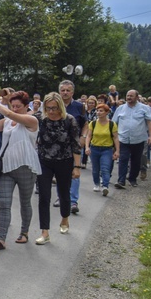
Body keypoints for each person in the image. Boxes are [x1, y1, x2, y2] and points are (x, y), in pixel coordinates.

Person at [0, 92, 40, 250]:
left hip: (26, 168)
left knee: (25, 202)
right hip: (6, 167)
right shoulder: (7, 121)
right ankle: (1, 239)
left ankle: (24, 232)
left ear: (26, 106)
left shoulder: (31, 120)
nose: (14, 109)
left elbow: (8, 113)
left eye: (18, 107)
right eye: (12, 106)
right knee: (5, 204)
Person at [35, 92, 81, 244]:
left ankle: (65, 219)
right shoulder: (41, 119)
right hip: (44, 161)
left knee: (63, 193)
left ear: (60, 106)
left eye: (54, 108)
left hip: (64, 160)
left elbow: (75, 144)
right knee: (44, 196)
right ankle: (45, 232)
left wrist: (77, 167)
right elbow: (23, 118)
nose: (51, 111)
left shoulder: (69, 120)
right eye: (48, 108)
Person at [112, 90, 151, 188]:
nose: (129, 98)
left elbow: (150, 122)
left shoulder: (144, 108)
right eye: (127, 96)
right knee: (123, 159)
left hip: (138, 139)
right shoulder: (120, 108)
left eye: (131, 96)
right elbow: (114, 123)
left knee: (136, 160)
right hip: (123, 139)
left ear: (137, 97)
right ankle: (121, 180)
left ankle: (132, 178)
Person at [55, 80, 86, 214]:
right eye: (63, 90)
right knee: (60, 172)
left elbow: (86, 124)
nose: (65, 92)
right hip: (57, 145)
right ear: (59, 92)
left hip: (74, 144)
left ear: (72, 92)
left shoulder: (79, 106)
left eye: (68, 90)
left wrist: (83, 137)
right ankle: (61, 197)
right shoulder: (54, 105)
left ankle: (73, 201)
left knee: (75, 171)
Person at [85, 103, 119, 196]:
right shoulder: (93, 123)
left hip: (107, 149)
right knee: (95, 169)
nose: (98, 113)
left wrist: (117, 151)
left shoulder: (112, 124)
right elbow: (88, 136)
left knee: (105, 168)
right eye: (97, 110)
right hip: (95, 148)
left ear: (107, 112)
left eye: (101, 111)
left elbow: (116, 138)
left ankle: (105, 186)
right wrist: (87, 147)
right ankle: (96, 184)